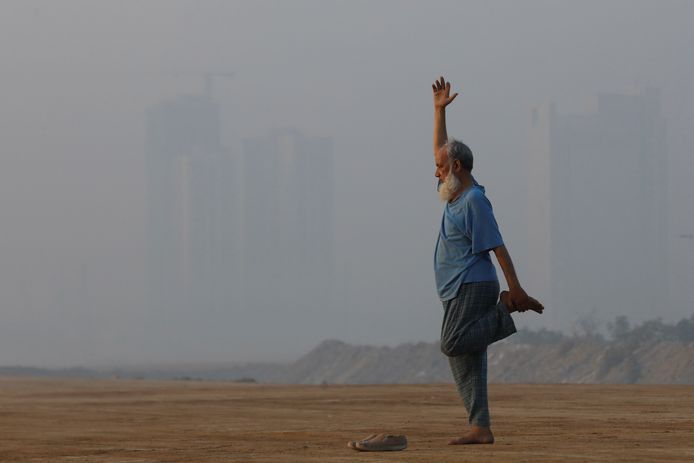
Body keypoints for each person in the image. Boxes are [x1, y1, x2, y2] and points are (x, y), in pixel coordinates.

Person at [431, 76, 544, 445]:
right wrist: (438, 112)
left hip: (473, 284)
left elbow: (498, 247)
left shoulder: (474, 199)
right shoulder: (453, 193)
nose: (436, 172)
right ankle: (480, 426)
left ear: (458, 166)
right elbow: (439, 149)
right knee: (465, 358)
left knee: (452, 342)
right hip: (454, 286)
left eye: (442, 167)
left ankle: (503, 311)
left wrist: (516, 291)